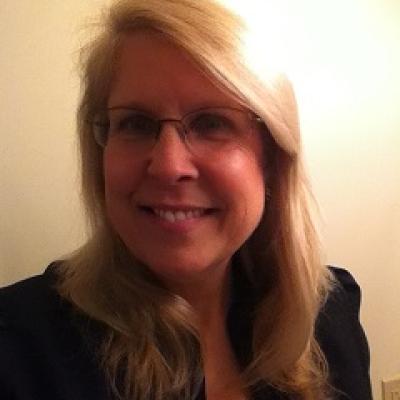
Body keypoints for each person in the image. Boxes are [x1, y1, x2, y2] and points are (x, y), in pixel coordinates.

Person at [0, 0, 372, 399]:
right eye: (136, 124)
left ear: (272, 158)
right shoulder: (16, 349)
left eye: (212, 123)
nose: (168, 166)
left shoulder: (330, 315)